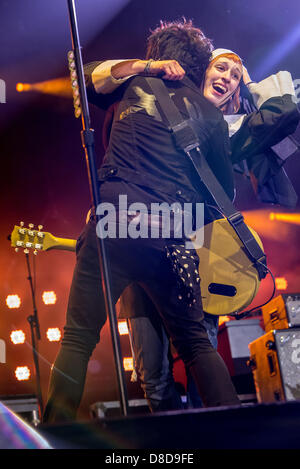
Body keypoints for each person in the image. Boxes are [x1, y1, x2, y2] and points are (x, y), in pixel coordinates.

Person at [43, 20, 299, 423]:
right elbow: (223, 196)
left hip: (118, 224)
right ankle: (235, 433)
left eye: (235, 74)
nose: (228, 78)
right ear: (202, 68)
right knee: (193, 347)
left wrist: (146, 68)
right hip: (173, 238)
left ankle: (55, 432)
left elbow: (85, 73)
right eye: (222, 68)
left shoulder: (129, 88)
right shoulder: (213, 122)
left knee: (78, 338)